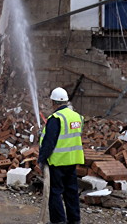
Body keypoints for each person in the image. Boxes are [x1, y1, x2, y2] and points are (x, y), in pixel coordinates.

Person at [38, 87, 84, 224]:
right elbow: (73, 136)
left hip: (57, 163)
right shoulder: (77, 117)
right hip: (72, 162)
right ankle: (74, 220)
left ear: (54, 102)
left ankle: (58, 221)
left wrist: (41, 159)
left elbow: (49, 142)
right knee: (71, 192)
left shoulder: (55, 118)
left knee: (55, 192)